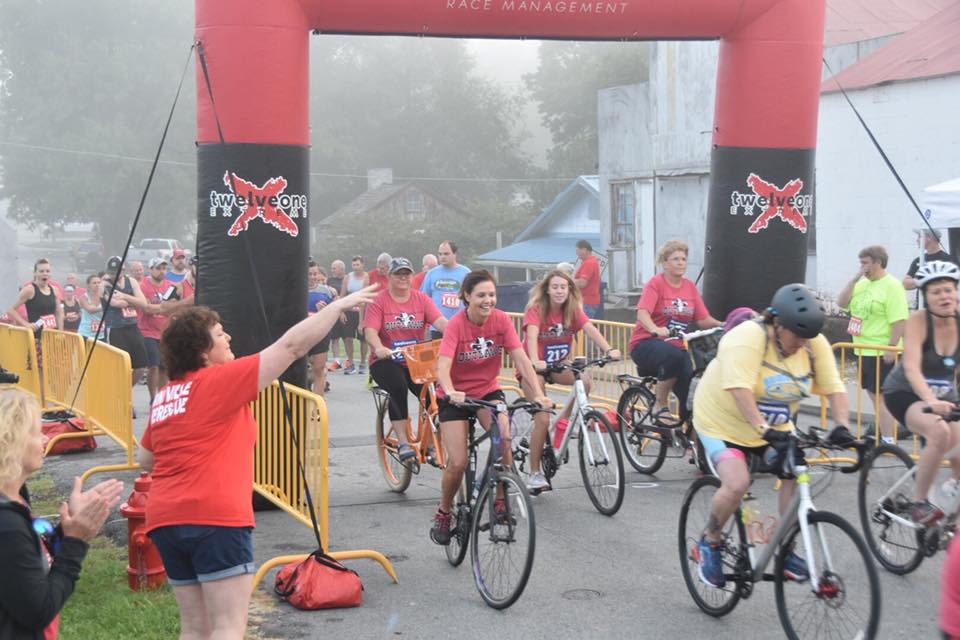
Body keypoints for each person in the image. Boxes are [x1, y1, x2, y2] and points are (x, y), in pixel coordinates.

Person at [138, 285, 377, 639]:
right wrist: (336, 307)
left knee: (194, 626)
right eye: (220, 334)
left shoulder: (167, 395)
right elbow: (291, 347)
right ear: (203, 352)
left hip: (165, 518)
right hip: (215, 518)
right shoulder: (219, 380)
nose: (229, 337)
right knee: (227, 626)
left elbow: (145, 459)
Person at [693, 284, 850, 588]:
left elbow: (834, 387)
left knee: (795, 471)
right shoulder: (747, 338)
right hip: (721, 422)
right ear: (777, 323)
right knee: (737, 483)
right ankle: (710, 541)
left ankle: (785, 548)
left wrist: (842, 426)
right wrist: (763, 430)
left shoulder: (811, 343)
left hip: (774, 424)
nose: (801, 344)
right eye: (797, 336)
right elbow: (739, 389)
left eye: (807, 338)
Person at [429, 270, 549, 545]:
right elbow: (443, 366)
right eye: (481, 295)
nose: (488, 300)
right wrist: (450, 391)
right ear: (467, 297)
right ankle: (444, 511)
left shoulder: (501, 320)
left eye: (492, 295)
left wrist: (539, 395)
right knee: (458, 462)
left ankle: (499, 501)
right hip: (455, 397)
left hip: (487, 392)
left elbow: (521, 360)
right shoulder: (456, 325)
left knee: (503, 438)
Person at [0, 387, 124, 639]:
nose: (45, 439)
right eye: (37, 433)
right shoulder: (7, 523)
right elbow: (38, 610)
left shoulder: (15, 499)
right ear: (11, 440)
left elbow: (29, 560)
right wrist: (76, 542)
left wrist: (67, 530)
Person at [520, 269, 620, 490]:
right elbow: (532, 336)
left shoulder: (572, 310)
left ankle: (563, 420)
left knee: (584, 380)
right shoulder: (536, 309)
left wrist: (609, 349)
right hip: (533, 368)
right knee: (543, 417)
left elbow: (590, 329)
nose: (559, 291)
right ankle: (534, 473)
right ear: (547, 290)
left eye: (563, 287)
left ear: (569, 290)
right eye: (555, 287)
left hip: (558, 365)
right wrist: (535, 361)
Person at [880, 261, 960, 524]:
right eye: (936, 292)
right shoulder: (918, 321)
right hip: (905, 392)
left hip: (944, 394)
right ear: (926, 296)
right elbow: (912, 368)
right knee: (939, 431)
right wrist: (930, 400)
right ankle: (920, 502)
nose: (944, 296)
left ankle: (947, 511)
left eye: (948, 290)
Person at [628, 240, 722, 424]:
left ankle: (688, 436)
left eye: (684, 259)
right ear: (664, 263)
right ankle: (660, 404)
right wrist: (654, 329)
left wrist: (724, 324)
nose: (681, 263)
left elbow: (703, 319)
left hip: (677, 347)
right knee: (674, 356)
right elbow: (642, 312)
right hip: (646, 343)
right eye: (675, 259)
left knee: (693, 392)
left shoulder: (689, 287)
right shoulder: (656, 283)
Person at [363, 257, 447, 461]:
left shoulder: (421, 299)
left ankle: (430, 443)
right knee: (398, 387)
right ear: (389, 276)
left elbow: (441, 322)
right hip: (386, 360)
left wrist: (458, 335)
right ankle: (403, 442)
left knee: (436, 394)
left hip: (415, 360)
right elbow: (370, 331)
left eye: (406, 273)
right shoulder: (379, 301)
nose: (403, 277)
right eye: (398, 274)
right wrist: (379, 347)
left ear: (412, 276)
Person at [837, 245, 909, 444]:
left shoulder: (892, 285)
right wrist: (853, 280)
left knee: (880, 396)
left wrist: (891, 347)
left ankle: (888, 439)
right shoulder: (861, 284)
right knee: (872, 394)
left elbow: (900, 320)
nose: (862, 267)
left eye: (865, 263)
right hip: (862, 348)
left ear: (878, 262)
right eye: (860, 263)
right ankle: (884, 432)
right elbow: (841, 303)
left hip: (880, 349)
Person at [101, 257, 149, 394]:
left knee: (141, 365)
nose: (114, 275)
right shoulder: (105, 284)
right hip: (115, 328)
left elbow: (144, 303)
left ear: (123, 270)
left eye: (117, 272)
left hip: (132, 326)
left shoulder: (131, 281)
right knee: (121, 365)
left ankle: (124, 392)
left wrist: (124, 296)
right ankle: (118, 394)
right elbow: (115, 303)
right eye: (111, 272)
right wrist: (133, 301)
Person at [137, 258, 174, 404]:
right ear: (151, 269)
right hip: (147, 331)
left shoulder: (170, 286)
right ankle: (153, 397)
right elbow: (146, 308)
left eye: (164, 268)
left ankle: (162, 397)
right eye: (158, 268)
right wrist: (163, 308)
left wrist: (160, 309)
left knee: (165, 367)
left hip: (164, 331)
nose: (162, 271)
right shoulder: (143, 286)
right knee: (153, 365)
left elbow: (172, 307)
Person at [421, 241, 471, 328]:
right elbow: (423, 299)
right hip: (437, 327)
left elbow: (472, 299)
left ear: (454, 254)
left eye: (446, 254)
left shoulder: (466, 273)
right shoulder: (431, 274)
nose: (442, 257)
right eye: (440, 254)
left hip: (460, 326)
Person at [307, 262, 339, 396]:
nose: (312, 277)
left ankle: (319, 404)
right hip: (303, 334)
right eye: (309, 274)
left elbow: (335, 312)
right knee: (303, 370)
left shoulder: (327, 291)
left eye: (315, 274)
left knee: (319, 369)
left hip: (321, 333)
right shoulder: (296, 290)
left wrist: (325, 311)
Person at [7, 259, 63, 333]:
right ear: (35, 273)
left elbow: (58, 312)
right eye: (41, 271)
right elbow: (9, 308)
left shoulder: (55, 290)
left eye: (47, 271)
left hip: (51, 335)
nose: (45, 274)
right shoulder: (30, 290)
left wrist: (60, 332)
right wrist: (26, 324)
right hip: (35, 336)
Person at [904, 230, 956, 307]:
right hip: (922, 309)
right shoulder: (918, 261)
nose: (917, 240)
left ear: (929, 238)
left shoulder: (948, 260)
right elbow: (905, 284)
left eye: (920, 236)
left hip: (942, 309)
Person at [339, 256, 370, 375]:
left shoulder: (366, 277)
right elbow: (342, 295)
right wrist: (341, 312)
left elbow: (364, 298)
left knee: (363, 339)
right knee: (348, 338)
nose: (355, 267)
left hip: (362, 311)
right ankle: (351, 363)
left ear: (362, 265)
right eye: (354, 265)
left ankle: (362, 363)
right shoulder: (348, 277)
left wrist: (361, 321)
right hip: (349, 311)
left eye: (357, 265)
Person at [574, 239, 603, 319]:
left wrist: (567, 281)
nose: (576, 253)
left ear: (584, 250)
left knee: (582, 324)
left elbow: (582, 283)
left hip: (587, 302)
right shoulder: (591, 262)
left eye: (577, 250)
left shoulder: (589, 263)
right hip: (588, 301)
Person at [326, 259, 347, 370]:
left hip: (346, 312)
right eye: (332, 268)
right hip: (334, 312)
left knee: (347, 338)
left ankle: (349, 360)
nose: (332, 270)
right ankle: (337, 361)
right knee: (334, 338)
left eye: (334, 268)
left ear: (341, 268)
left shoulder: (348, 279)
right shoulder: (330, 280)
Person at [76, 274, 104, 340]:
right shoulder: (83, 297)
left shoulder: (104, 297)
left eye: (99, 283)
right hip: (85, 333)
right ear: (89, 285)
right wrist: (106, 306)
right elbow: (90, 309)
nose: (97, 285)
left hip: (101, 333)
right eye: (94, 283)